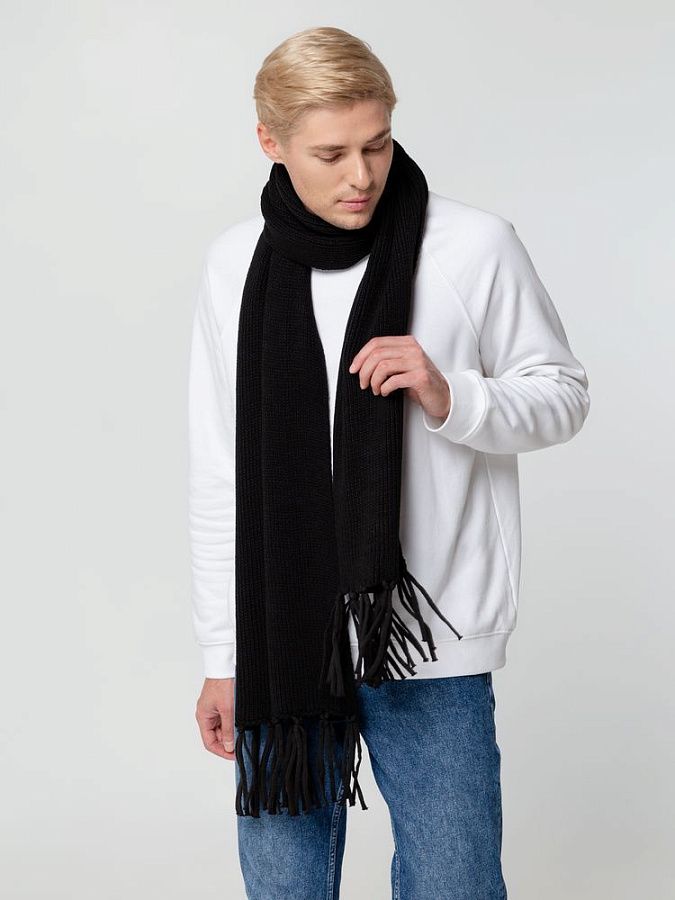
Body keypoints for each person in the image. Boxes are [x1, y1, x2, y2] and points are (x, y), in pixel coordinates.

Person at [188, 25, 590, 900]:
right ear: (269, 142)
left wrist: (452, 396)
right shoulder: (233, 266)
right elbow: (220, 471)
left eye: (376, 144)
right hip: (283, 640)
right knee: (284, 886)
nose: (361, 175)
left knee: (454, 883)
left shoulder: (472, 246)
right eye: (330, 154)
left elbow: (562, 395)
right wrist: (223, 654)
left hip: (427, 635)